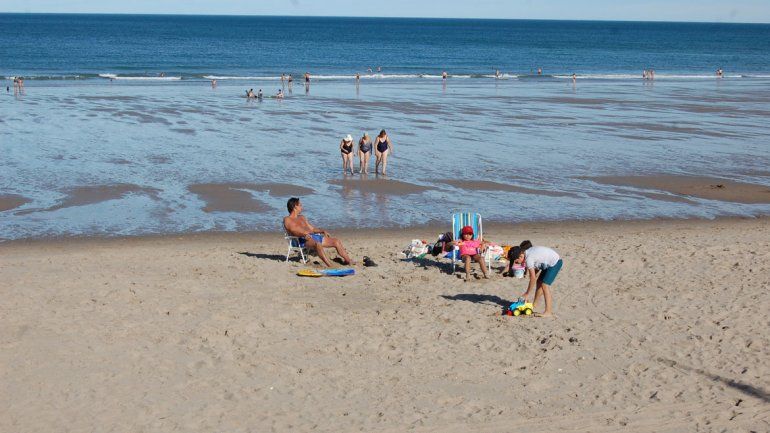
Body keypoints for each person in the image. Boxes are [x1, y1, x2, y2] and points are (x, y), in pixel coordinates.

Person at [283, 197, 355, 267]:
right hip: (300, 240)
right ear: (295, 206)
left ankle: (348, 260)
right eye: (300, 205)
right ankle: (330, 265)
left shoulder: (302, 217)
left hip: (312, 237)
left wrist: (322, 231)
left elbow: (312, 229)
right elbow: (293, 230)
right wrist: (304, 234)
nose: (302, 207)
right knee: (318, 244)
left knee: (336, 241)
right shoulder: (287, 219)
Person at [510, 244, 563, 317]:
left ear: (521, 256)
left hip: (555, 262)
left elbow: (532, 278)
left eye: (517, 261)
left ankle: (548, 312)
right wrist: (534, 277)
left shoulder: (528, 259)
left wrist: (527, 293)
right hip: (548, 263)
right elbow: (538, 264)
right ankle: (534, 305)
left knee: (544, 285)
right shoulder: (527, 253)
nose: (517, 263)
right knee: (539, 282)